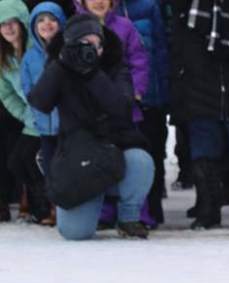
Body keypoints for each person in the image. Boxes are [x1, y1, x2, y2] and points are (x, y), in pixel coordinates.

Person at [28, 13, 154, 239]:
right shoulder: (60, 69)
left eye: (96, 44)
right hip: (78, 155)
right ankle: (92, 202)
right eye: (84, 44)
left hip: (114, 147)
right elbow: (39, 102)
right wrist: (60, 65)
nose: (92, 50)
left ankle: (128, 217)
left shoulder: (116, 67)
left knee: (140, 161)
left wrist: (93, 74)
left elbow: (122, 110)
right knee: (75, 233)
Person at [170, 0, 229, 229]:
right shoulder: (188, 7)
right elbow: (179, 43)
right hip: (199, 80)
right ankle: (208, 209)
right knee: (203, 145)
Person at [0, 0, 52, 224]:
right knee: (18, 161)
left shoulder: (38, 50)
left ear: (22, 23)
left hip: (52, 118)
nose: (8, 28)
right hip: (32, 121)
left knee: (36, 160)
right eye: (2, 24)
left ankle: (48, 204)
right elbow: (6, 94)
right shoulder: (4, 57)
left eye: (13, 22)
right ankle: (40, 203)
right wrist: (25, 115)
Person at [121, 0, 169, 225]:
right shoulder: (100, 6)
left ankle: (152, 206)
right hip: (117, 97)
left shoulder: (149, 6)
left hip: (150, 94)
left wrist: (163, 89)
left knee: (154, 152)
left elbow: (161, 48)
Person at [21, 1, 66, 208]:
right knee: (49, 169)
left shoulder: (67, 51)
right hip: (44, 127)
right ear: (33, 26)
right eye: (40, 20)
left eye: (52, 20)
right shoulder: (30, 57)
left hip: (66, 126)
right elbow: (27, 87)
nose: (46, 24)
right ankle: (55, 207)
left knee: (67, 167)